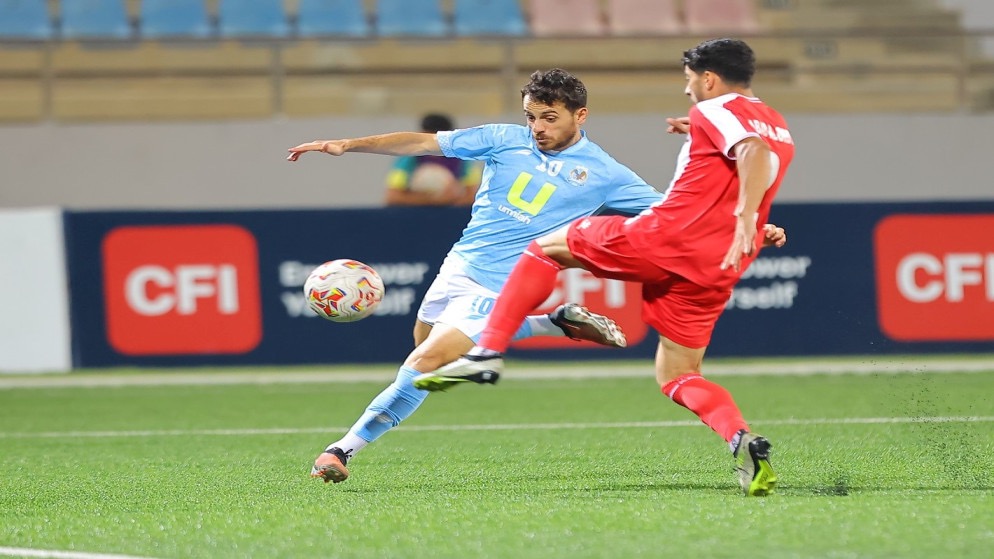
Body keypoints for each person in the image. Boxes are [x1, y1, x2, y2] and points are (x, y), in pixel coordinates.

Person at [415, 38, 795, 497]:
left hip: (669, 237)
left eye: (690, 81)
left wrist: (744, 216)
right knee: (678, 374)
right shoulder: (777, 124)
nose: (688, 91)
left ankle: (486, 353)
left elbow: (751, 152)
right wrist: (753, 218)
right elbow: (754, 155)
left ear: (708, 78)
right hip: (717, 263)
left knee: (544, 248)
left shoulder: (713, 111)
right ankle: (742, 439)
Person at [286, 68, 666, 484]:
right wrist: (347, 145)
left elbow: (669, 214)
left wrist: (739, 217)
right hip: (459, 265)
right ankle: (550, 322)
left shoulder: (607, 174)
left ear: (581, 115)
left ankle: (339, 450)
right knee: (424, 353)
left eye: (549, 117)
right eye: (531, 116)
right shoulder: (503, 139)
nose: (537, 128)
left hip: (503, 283)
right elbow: (423, 142)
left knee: (424, 365)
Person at [384, 113, 481, 207]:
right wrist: (433, 200)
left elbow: (472, 196)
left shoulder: (462, 160)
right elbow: (393, 197)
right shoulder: (407, 160)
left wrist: (452, 199)